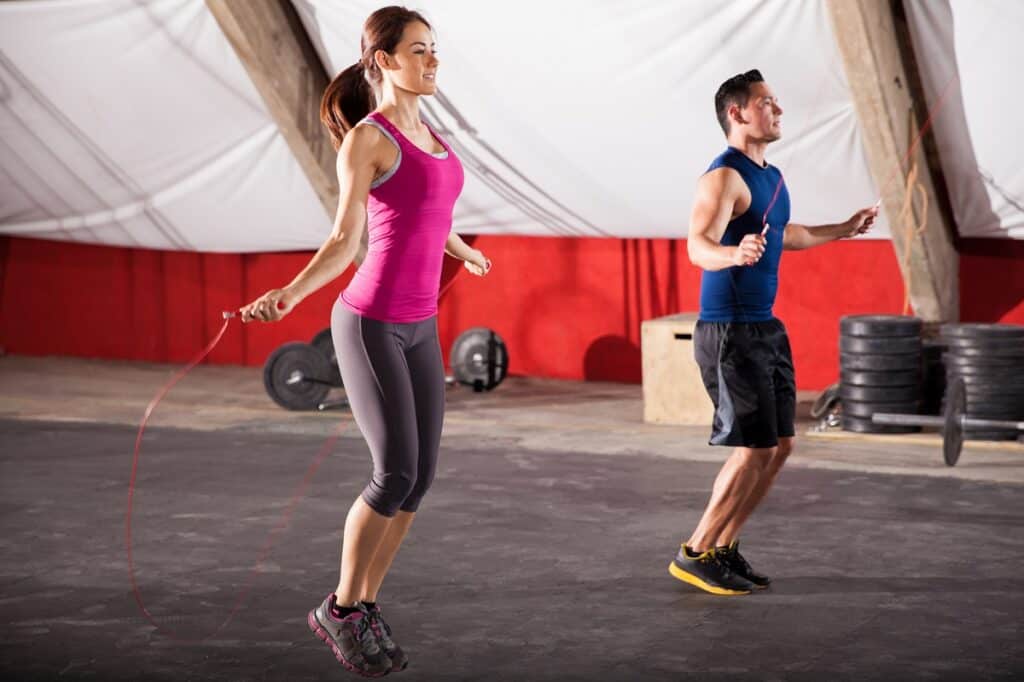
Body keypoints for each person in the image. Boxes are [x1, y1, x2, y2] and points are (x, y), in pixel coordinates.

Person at [240, 6, 490, 675]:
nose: (433, 61)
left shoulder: (431, 133)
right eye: (418, 51)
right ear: (383, 61)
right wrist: (288, 296)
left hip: (418, 326)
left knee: (422, 477)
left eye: (435, 49)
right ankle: (342, 609)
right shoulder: (369, 140)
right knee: (393, 473)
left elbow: (427, 211)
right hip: (371, 321)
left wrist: (461, 248)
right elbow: (344, 241)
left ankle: (365, 604)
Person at [669, 69, 877, 596]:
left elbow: (789, 233)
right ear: (738, 113)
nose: (779, 110)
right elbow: (697, 245)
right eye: (767, 102)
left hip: (765, 327)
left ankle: (723, 546)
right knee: (752, 449)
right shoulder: (723, 177)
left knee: (780, 445)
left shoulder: (774, 177)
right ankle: (694, 552)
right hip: (729, 331)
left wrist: (842, 229)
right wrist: (731, 253)